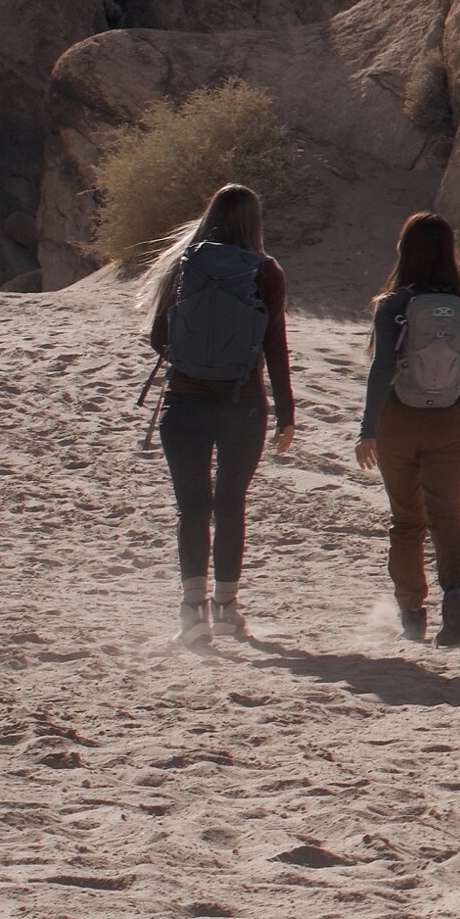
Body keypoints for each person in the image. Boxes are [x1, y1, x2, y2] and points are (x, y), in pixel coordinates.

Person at [141, 183, 297, 645]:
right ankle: (228, 610)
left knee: (192, 508)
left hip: (184, 403)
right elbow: (275, 346)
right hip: (242, 404)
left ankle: (193, 614)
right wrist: (287, 412)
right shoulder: (265, 271)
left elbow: (157, 339)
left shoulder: (185, 263)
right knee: (230, 506)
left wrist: (197, 356)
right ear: (255, 222)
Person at [356, 212, 460, 645]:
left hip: (398, 421)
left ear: (405, 252)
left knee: (406, 521)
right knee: (447, 516)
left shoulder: (393, 305)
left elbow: (383, 367)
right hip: (453, 421)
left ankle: (411, 613)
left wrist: (368, 429)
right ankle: (455, 596)